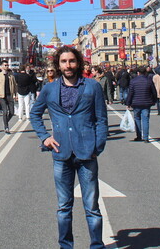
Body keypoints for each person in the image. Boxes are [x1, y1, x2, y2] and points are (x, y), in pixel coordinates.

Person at [30, 47, 108, 249]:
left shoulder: (92, 86)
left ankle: (97, 246)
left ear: (78, 62)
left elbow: (101, 119)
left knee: (92, 207)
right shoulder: (49, 89)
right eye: (63, 61)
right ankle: (66, 246)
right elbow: (35, 114)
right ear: (58, 64)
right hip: (61, 154)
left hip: (87, 153)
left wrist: (97, 146)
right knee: (64, 208)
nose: (68, 65)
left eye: (72, 61)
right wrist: (45, 137)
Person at [126, 66, 158, 142]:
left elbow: (130, 93)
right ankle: (146, 137)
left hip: (136, 103)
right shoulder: (149, 81)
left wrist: (128, 103)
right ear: (145, 72)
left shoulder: (133, 81)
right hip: (146, 103)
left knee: (137, 119)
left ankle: (139, 136)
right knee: (145, 120)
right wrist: (154, 101)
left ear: (138, 73)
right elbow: (154, 92)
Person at [0, 60, 18, 134]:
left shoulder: (11, 75)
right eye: (5, 65)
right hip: (2, 96)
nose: (6, 66)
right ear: (2, 66)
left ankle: (5, 121)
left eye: (7, 65)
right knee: (5, 111)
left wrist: (15, 94)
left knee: (11, 112)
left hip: (10, 95)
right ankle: (6, 127)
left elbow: (15, 86)